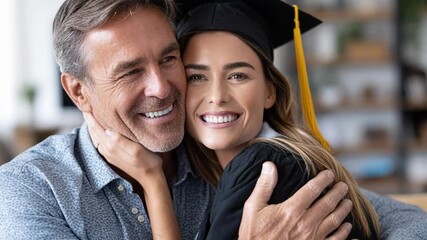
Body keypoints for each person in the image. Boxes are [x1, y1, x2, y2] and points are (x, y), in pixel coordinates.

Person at [0, 0, 426, 239]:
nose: (162, 88)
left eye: (170, 60)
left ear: (269, 89)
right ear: (77, 91)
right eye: (130, 71)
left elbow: (406, 222)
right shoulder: (32, 191)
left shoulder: (219, 156)